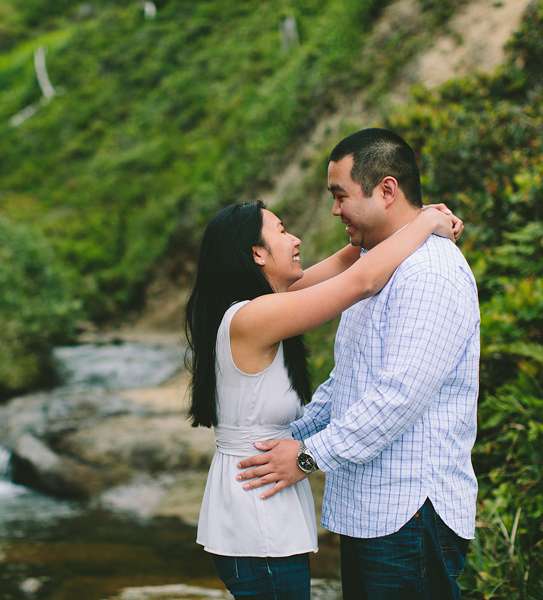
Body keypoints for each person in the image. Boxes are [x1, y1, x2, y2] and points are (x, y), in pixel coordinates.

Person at [236, 128, 481, 600]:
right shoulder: (379, 264)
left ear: (386, 190)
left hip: (410, 510)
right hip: (372, 508)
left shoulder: (430, 271)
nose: (334, 209)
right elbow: (348, 381)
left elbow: (398, 396)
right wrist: (293, 438)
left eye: (340, 195)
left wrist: (307, 457)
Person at [185, 195, 463, 599]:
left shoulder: (262, 306)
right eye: (282, 231)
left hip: (258, 500)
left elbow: (347, 262)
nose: (295, 238)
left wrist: (406, 220)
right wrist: (425, 224)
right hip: (257, 514)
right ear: (257, 254)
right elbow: (360, 282)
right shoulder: (253, 318)